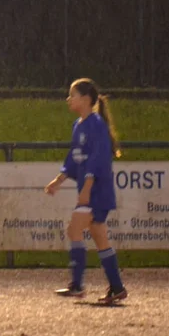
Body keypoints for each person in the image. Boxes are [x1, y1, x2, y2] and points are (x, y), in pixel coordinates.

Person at [44, 78, 128, 305]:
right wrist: (58, 180)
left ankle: (78, 285)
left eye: (72, 94)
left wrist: (87, 188)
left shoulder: (96, 124)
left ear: (86, 99)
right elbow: (73, 160)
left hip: (96, 191)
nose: (68, 99)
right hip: (91, 191)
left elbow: (98, 159)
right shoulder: (78, 125)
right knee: (100, 237)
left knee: (74, 230)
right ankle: (117, 287)